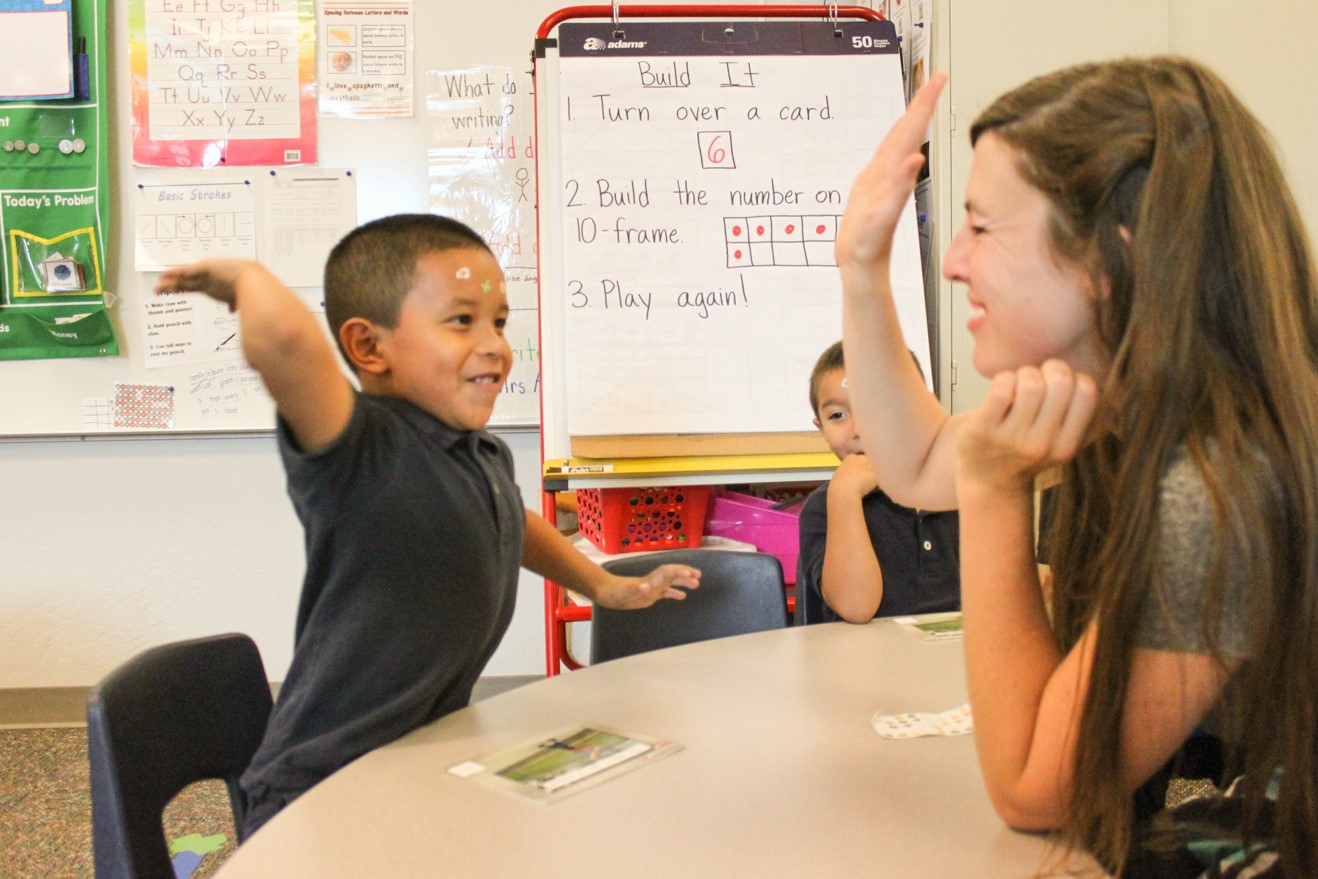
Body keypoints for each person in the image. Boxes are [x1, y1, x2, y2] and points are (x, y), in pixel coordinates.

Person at [836, 60, 1318, 876]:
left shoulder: (1218, 481)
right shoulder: (1126, 402)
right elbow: (913, 461)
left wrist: (995, 489)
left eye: (982, 228)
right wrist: (859, 264)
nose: (953, 263)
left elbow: (1033, 787)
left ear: (1112, 258)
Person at [154, 214, 701, 838]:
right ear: (368, 347)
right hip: (320, 791)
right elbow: (282, 338)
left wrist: (601, 586)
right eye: (461, 320)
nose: (494, 342)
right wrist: (244, 275)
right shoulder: (360, 450)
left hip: (413, 763)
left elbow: (509, 518)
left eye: (498, 321)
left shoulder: (479, 452)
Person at [796, 340, 960, 623]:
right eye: (838, 415)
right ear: (821, 430)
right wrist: (844, 497)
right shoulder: (824, 507)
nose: (860, 429)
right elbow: (857, 608)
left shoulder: (960, 496)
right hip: (867, 665)